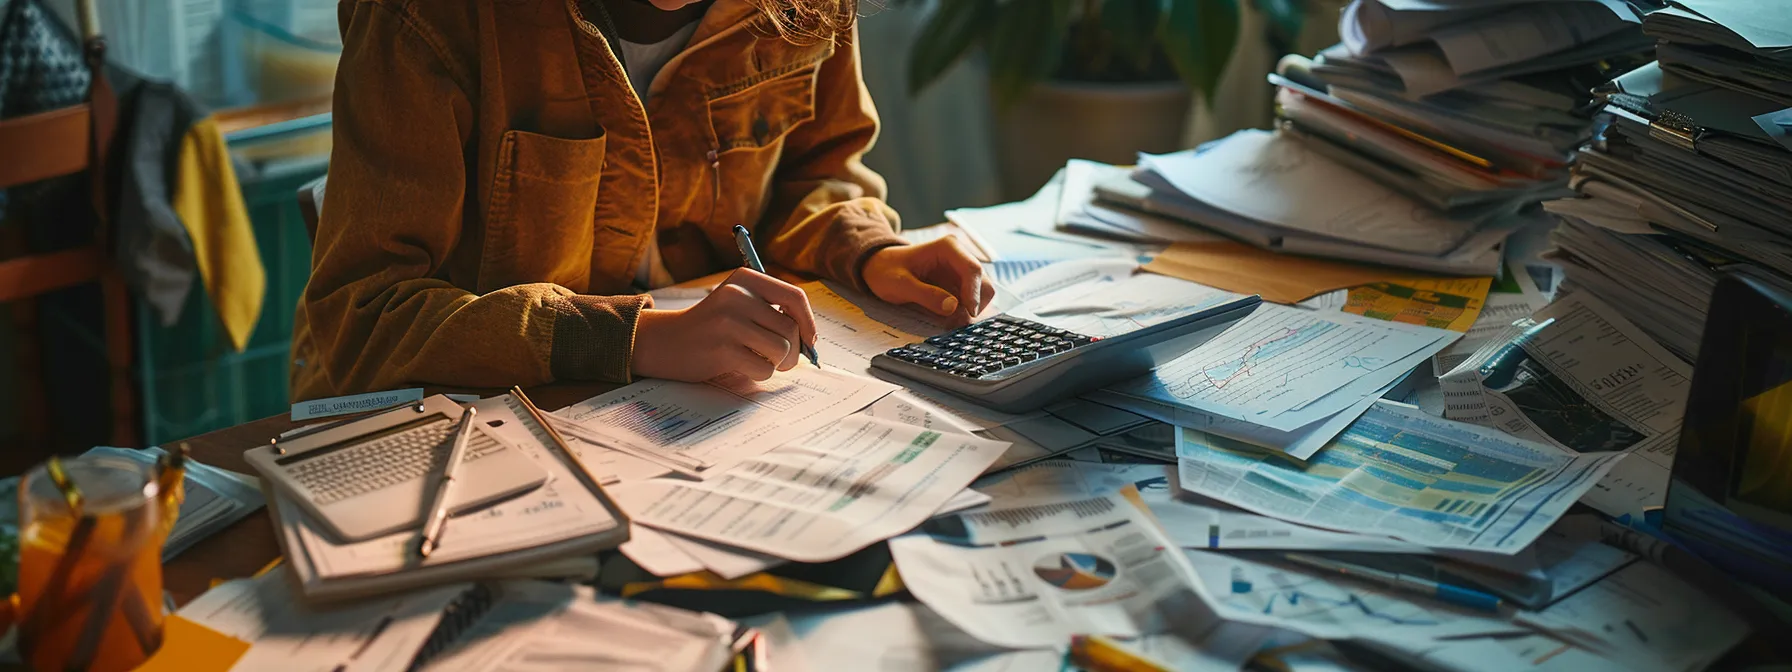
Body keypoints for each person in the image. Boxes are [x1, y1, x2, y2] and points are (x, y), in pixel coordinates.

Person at [290, 0, 992, 400]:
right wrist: (635, 339)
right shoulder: (431, 15)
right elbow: (362, 322)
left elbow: (815, 171)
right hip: (470, 424)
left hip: (698, 423)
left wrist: (868, 248)